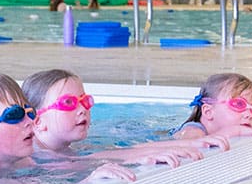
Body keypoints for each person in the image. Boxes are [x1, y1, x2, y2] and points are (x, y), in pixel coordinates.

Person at [0, 73, 133, 183]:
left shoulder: (25, 162)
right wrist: (89, 181)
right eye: (14, 115)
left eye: (29, 112)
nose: (30, 121)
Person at [22, 69, 222, 165]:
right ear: (38, 122)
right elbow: (87, 161)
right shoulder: (33, 156)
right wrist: (137, 158)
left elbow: (111, 152)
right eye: (68, 104)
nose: (82, 110)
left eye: (84, 101)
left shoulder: (67, 147)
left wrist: (191, 144)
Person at [172, 73, 252, 141]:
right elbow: (192, 144)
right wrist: (234, 131)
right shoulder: (193, 130)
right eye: (239, 104)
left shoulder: (229, 123)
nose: (249, 114)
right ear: (208, 112)